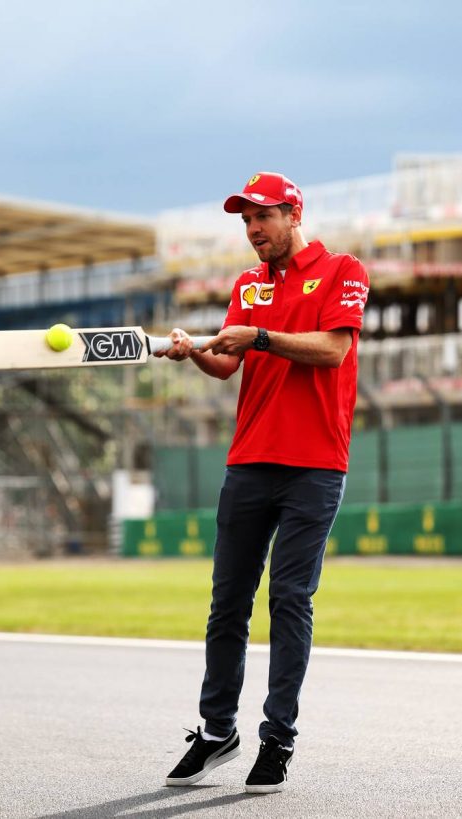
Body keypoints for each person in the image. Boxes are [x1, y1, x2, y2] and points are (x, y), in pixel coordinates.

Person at [158, 171, 369, 794]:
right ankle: (217, 731)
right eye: (245, 222)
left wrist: (262, 337)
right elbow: (227, 363)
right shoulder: (247, 285)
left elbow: (333, 351)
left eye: (262, 218)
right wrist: (192, 349)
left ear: (292, 213)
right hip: (249, 460)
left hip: (316, 464)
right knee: (227, 604)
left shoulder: (342, 270)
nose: (253, 231)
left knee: (289, 599)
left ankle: (277, 739)